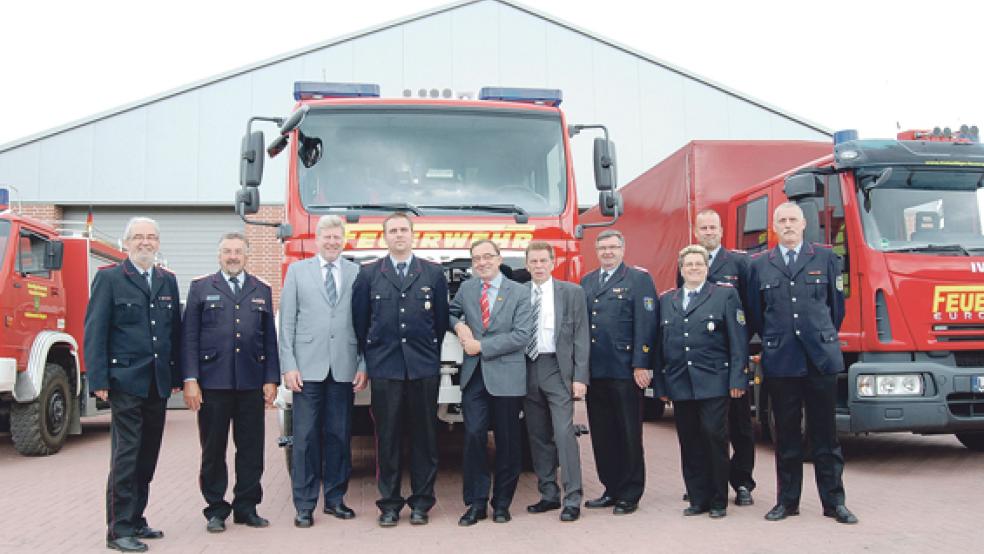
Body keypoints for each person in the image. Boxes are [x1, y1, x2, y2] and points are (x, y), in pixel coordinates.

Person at [746, 202, 858, 524]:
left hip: (820, 359)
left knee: (826, 436)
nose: (788, 225)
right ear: (774, 227)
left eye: (793, 219)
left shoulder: (824, 258)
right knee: (787, 437)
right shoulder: (759, 265)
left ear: (804, 223)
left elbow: (835, 309)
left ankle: (834, 502)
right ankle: (787, 502)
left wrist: (818, 337)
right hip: (782, 361)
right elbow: (757, 313)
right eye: (782, 221)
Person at [84, 217, 181, 553]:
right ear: (126, 243)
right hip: (124, 381)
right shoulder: (110, 278)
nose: (145, 242)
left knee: (147, 455)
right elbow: (95, 331)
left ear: (158, 243)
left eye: (151, 237)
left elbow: (174, 332)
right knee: (126, 455)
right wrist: (97, 379)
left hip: (157, 383)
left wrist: (179, 376)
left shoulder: (167, 281)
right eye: (138, 237)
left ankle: (137, 518)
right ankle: (118, 529)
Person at [352, 212, 449, 527]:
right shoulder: (368, 275)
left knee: (425, 437)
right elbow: (360, 322)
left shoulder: (432, 274)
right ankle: (389, 504)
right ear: (385, 236)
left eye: (403, 230)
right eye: (392, 230)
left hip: (423, 367)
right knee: (388, 438)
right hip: (386, 368)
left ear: (413, 234)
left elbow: (440, 320)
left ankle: (421, 503)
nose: (398, 235)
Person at [181, 232, 280, 533]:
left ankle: (246, 507)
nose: (233, 256)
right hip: (213, 383)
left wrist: (271, 379)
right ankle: (215, 509)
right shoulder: (201, 288)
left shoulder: (261, 288)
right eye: (227, 251)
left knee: (251, 449)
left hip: (251, 382)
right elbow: (189, 338)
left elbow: (270, 342)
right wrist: (190, 378)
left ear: (247, 255)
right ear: (219, 255)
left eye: (238, 251)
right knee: (213, 450)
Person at [279, 215, 367, 528]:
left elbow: (363, 324)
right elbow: (287, 321)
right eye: (326, 237)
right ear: (317, 239)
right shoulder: (297, 272)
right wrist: (288, 365)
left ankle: (335, 499)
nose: (331, 242)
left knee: (339, 435)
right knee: (304, 438)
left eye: (336, 238)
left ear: (344, 240)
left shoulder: (357, 273)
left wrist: (363, 364)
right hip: (307, 368)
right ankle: (304, 505)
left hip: (343, 367)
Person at [655, 244, 748, 519]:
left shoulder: (724, 296)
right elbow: (661, 346)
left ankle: (719, 499)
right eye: (688, 265)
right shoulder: (667, 300)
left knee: (714, 436)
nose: (694, 268)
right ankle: (698, 498)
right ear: (681, 269)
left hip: (714, 381)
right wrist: (661, 386)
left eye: (699, 264)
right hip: (680, 383)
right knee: (689, 441)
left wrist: (737, 379)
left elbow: (738, 342)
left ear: (707, 268)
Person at [449, 239, 533, 526]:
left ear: (499, 259)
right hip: (475, 378)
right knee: (473, 437)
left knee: (508, 442)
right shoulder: (467, 288)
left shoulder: (520, 292)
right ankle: (476, 503)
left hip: (507, 377)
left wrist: (481, 347)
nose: (482, 263)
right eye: (476, 259)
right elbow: (450, 311)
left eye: (487, 257)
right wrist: (459, 325)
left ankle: (502, 504)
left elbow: (522, 335)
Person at [676, 209, 756, 506]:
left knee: (740, 426)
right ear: (696, 231)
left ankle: (743, 481)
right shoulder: (687, 261)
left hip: (729, 361)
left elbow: (751, 312)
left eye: (713, 227)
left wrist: (738, 357)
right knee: (705, 429)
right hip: (701, 366)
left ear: (721, 230)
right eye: (703, 227)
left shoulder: (740, 263)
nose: (709, 232)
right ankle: (706, 483)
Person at [580, 229, 657, 515]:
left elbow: (646, 323)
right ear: (596, 251)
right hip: (596, 370)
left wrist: (642, 363)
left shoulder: (638, 279)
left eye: (613, 247)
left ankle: (630, 492)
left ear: (623, 249)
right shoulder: (587, 281)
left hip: (625, 370)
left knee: (628, 433)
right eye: (603, 248)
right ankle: (611, 488)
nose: (608, 252)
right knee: (602, 434)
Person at [522, 241, 589, 522]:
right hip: (526, 368)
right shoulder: (518, 293)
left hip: (557, 369)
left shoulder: (571, 293)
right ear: (526, 265)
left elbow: (581, 336)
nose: (538, 266)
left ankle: (572, 497)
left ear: (552, 263)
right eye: (533, 261)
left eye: (543, 261)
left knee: (564, 434)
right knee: (537, 436)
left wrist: (580, 377)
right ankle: (548, 494)